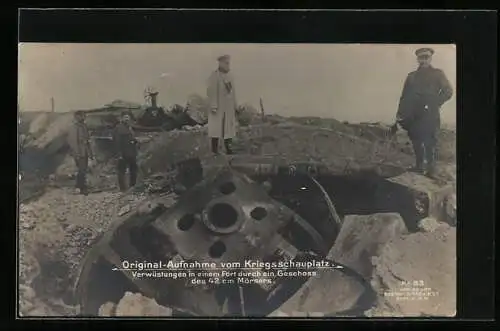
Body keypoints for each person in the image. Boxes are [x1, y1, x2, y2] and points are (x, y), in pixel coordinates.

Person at [394, 47, 453, 178]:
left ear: (430, 58)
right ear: (417, 59)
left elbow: (448, 91)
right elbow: (404, 97)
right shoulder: (411, 76)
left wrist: (434, 103)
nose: (424, 60)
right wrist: (400, 114)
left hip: (430, 113)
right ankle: (419, 166)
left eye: (426, 57)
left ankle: (431, 170)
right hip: (413, 114)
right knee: (416, 140)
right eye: (421, 57)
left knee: (430, 141)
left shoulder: (438, 74)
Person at [206, 54, 238, 155]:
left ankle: (228, 149)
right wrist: (214, 106)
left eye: (228, 63)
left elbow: (233, 93)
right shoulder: (214, 76)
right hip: (218, 107)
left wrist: (235, 105)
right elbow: (211, 91)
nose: (228, 65)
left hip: (228, 107)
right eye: (226, 63)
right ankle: (214, 150)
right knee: (216, 129)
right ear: (220, 63)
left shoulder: (230, 76)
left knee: (228, 129)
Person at [67, 111, 94, 195]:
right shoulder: (74, 127)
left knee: (83, 170)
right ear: (77, 117)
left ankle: (82, 186)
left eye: (84, 116)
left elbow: (87, 141)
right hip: (79, 152)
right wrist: (77, 154)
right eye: (82, 116)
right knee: (81, 170)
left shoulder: (84, 126)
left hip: (85, 151)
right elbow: (73, 142)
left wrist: (90, 153)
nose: (84, 117)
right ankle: (80, 187)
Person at [112, 112, 139, 192]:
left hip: (132, 152)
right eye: (125, 117)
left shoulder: (129, 128)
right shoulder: (118, 128)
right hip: (123, 153)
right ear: (121, 118)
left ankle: (132, 185)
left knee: (133, 169)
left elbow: (132, 139)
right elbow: (117, 142)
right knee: (121, 170)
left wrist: (135, 142)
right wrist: (119, 154)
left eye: (128, 117)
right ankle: (123, 188)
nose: (127, 119)